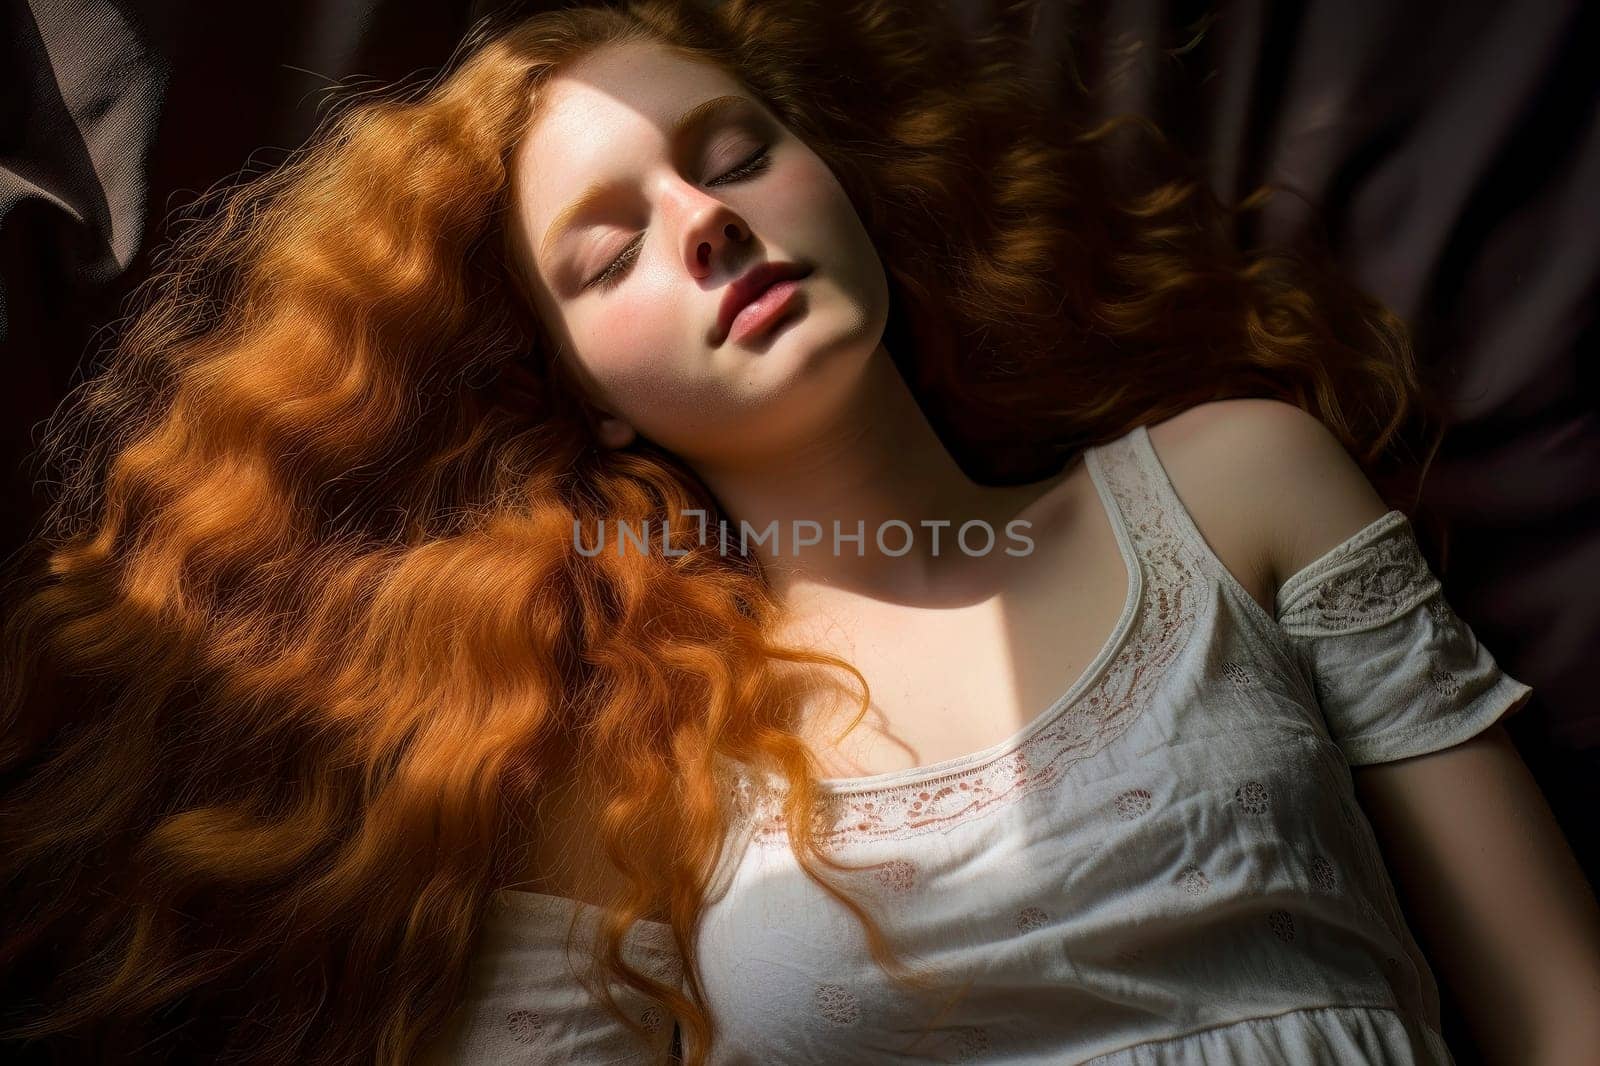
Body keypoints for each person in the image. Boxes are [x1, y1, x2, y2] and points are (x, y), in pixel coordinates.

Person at [2, 1, 1597, 1063]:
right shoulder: (614, 758)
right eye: (608, 249)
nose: (708, 225)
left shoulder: (1239, 482)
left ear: (840, 183)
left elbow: (1554, 998)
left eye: (734, 154)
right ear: (583, 393)